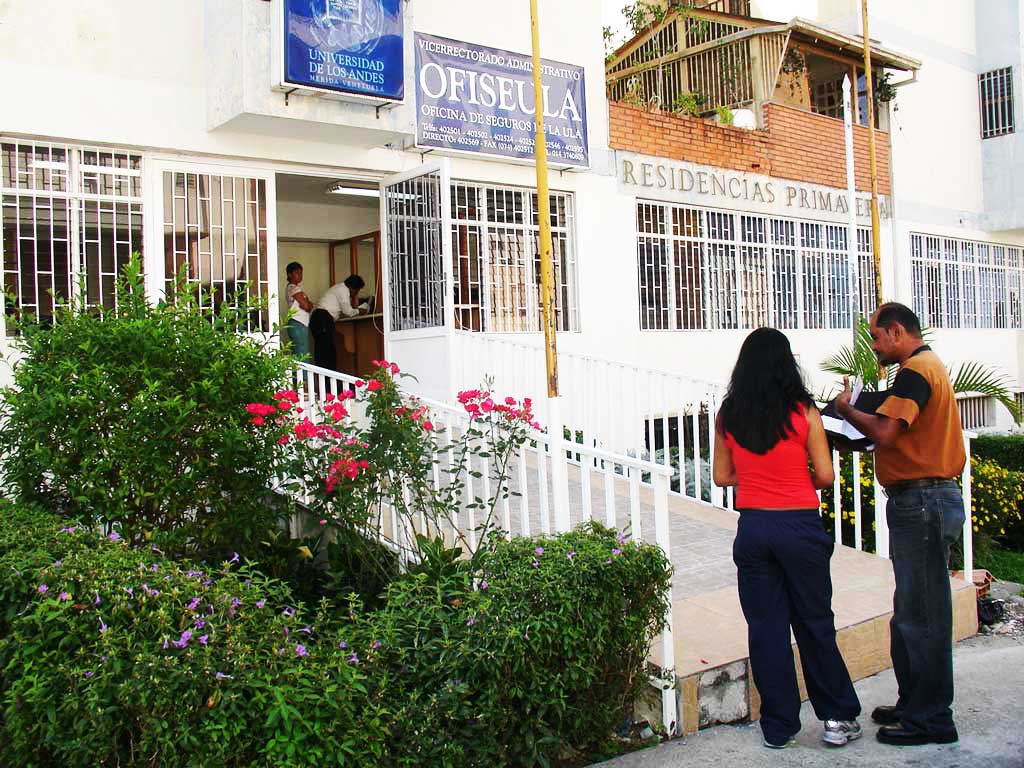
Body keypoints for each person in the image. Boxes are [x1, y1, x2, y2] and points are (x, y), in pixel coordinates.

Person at [714, 327, 861, 749]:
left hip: (754, 528)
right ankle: (836, 719)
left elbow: (722, 476)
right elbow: (826, 475)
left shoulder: (730, 413)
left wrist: (758, 476)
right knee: (814, 622)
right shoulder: (804, 411)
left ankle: (778, 727)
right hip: (798, 526)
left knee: (766, 629)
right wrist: (792, 475)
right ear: (786, 363)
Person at [834, 302, 964, 747]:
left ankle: (931, 719)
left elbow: (886, 432)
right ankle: (915, 704)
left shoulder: (915, 372)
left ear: (894, 332)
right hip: (923, 500)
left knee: (923, 614)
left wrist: (846, 412)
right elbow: (894, 429)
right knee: (911, 610)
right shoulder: (919, 370)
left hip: (923, 502)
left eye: (875, 337)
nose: (873, 347)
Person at [309, 274, 367, 371]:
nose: (356, 294)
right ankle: (328, 382)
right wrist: (360, 310)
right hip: (323, 318)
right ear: (353, 288)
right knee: (327, 353)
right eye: (357, 291)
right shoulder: (343, 291)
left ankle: (325, 381)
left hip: (318, 318)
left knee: (322, 352)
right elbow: (348, 311)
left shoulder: (339, 288)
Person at [284, 261, 312, 360]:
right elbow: (307, 306)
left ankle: (299, 375)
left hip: (299, 323)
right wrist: (307, 302)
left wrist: (308, 303)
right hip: (297, 323)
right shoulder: (293, 288)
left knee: (299, 352)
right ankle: (303, 376)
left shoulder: (295, 288)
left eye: (301, 273)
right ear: (289, 274)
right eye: (297, 273)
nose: (300, 276)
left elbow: (310, 304)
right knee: (302, 354)